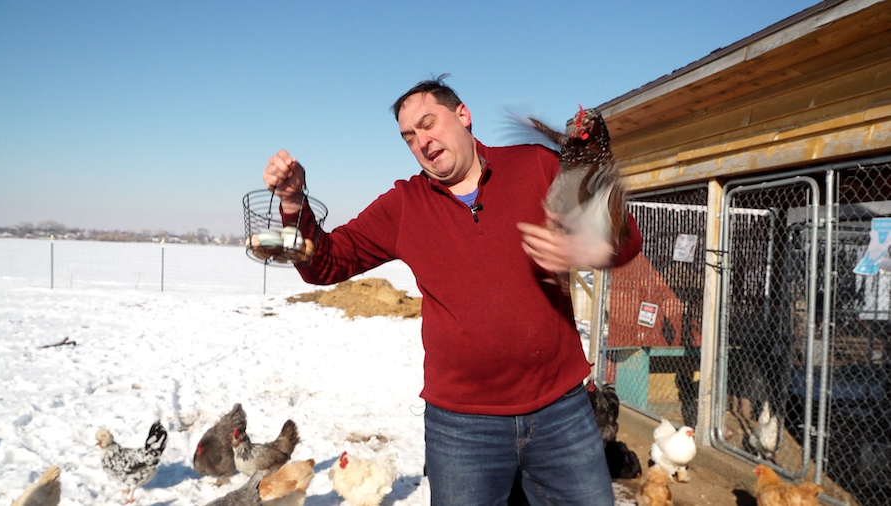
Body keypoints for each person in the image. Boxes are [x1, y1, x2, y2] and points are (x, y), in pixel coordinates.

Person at [260, 76, 642, 505]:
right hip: (463, 428)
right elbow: (325, 262)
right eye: (409, 137)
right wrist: (293, 202)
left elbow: (625, 239)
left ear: (463, 115)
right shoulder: (405, 206)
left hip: (561, 411)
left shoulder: (537, 166)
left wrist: (588, 245)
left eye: (428, 124)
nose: (421, 141)